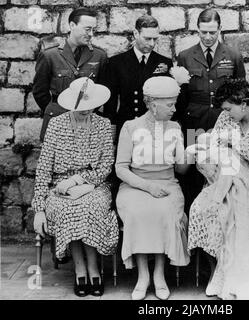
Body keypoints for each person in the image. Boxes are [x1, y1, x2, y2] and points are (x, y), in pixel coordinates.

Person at [187, 79, 249, 300]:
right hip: (220, 179)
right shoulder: (225, 118)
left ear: (243, 104)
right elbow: (211, 150)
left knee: (241, 208)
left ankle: (246, 280)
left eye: (228, 108)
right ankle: (222, 273)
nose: (225, 114)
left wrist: (230, 142)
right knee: (205, 208)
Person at [32, 77, 119, 297]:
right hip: (59, 185)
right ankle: (80, 268)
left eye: (90, 107)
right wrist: (39, 208)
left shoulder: (103, 125)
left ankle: (93, 266)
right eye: (81, 108)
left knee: (91, 206)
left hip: (94, 184)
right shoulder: (56, 124)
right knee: (68, 209)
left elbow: (106, 165)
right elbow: (43, 168)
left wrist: (78, 182)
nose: (86, 111)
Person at [115, 76, 191, 300]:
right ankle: (143, 276)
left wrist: (190, 153)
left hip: (167, 183)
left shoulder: (176, 127)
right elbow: (121, 168)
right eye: (170, 104)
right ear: (152, 104)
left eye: (174, 103)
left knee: (165, 212)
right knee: (139, 212)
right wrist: (148, 187)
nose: (174, 109)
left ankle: (159, 274)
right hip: (135, 185)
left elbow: (182, 170)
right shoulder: (130, 127)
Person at [176, 8, 246, 215]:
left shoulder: (233, 56)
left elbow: (241, 93)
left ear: (220, 30)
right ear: (197, 29)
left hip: (223, 124)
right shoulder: (185, 57)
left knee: (223, 172)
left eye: (212, 32)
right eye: (203, 32)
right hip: (194, 124)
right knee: (194, 174)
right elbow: (182, 97)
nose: (207, 37)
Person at [33, 7, 107, 141]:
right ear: (72, 25)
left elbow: (101, 90)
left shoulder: (99, 56)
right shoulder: (50, 55)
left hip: (86, 124)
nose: (91, 34)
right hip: (56, 123)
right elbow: (39, 92)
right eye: (87, 29)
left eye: (93, 30)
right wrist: (56, 110)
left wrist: (86, 110)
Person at [103, 15, 173, 141]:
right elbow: (111, 102)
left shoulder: (164, 62)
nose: (152, 44)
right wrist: (111, 130)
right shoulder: (117, 62)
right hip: (127, 126)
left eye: (155, 39)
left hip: (155, 129)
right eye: (147, 39)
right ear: (136, 33)